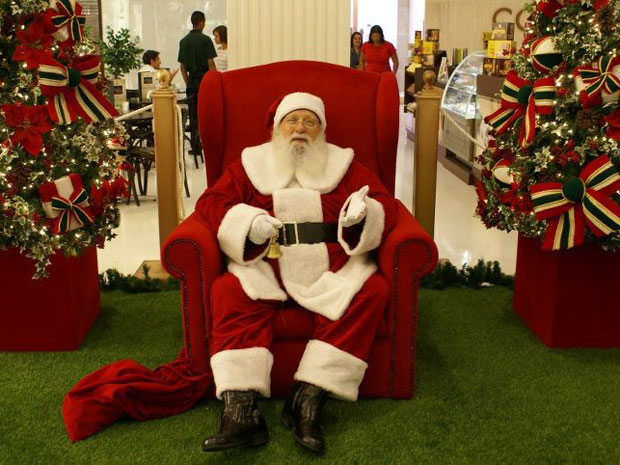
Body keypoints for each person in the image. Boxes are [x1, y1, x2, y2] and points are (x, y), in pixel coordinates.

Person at [196, 92, 397, 454]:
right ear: (278, 127)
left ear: (321, 130)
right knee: (229, 291)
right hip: (265, 263)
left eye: (309, 121)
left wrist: (361, 213)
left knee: (373, 290)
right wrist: (248, 222)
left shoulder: (344, 164)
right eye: (292, 120)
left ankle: (307, 401)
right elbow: (211, 203)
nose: (300, 129)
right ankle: (241, 412)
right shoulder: (252, 163)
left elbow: (385, 202)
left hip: (330, 265)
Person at [177, 11, 217, 155]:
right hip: (205, 83)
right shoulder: (205, 40)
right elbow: (210, 62)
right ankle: (210, 146)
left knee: (194, 116)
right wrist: (215, 79)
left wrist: (188, 82)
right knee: (208, 115)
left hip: (192, 84)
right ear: (201, 22)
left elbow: (182, 67)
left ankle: (196, 147)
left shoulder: (183, 41)